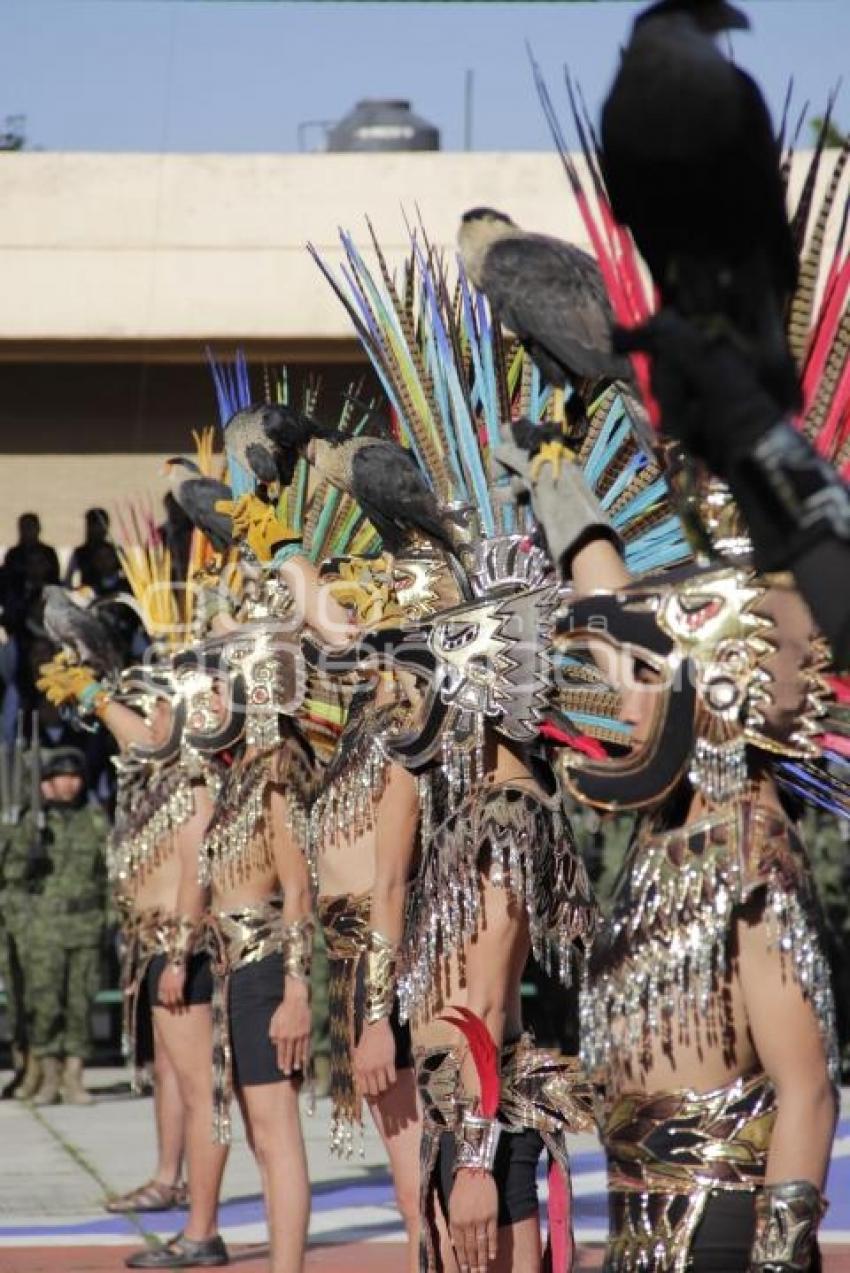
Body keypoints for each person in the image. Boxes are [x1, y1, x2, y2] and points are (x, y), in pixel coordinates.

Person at [495, 435, 839, 1270]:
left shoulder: (756, 855)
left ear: (711, 691)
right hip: (636, 1227)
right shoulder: (668, 832)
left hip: (718, 1234)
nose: (620, 699)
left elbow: (808, 1089)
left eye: (645, 674)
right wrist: (562, 491)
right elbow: (616, 623)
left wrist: (780, 1257)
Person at [7, 746, 108, 1105]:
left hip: (84, 925)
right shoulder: (34, 823)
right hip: (45, 927)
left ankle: (74, 1076)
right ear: (47, 783)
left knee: (81, 1002)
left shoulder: (94, 821)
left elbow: (109, 875)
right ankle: (48, 1075)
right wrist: (27, 849)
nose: (70, 783)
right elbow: (12, 877)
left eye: (75, 776)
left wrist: (108, 920)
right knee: (44, 1003)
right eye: (62, 777)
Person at [65, 508, 125, 595]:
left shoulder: (117, 551)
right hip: (88, 600)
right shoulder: (80, 553)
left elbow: (129, 576)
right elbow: (68, 581)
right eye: (93, 524)